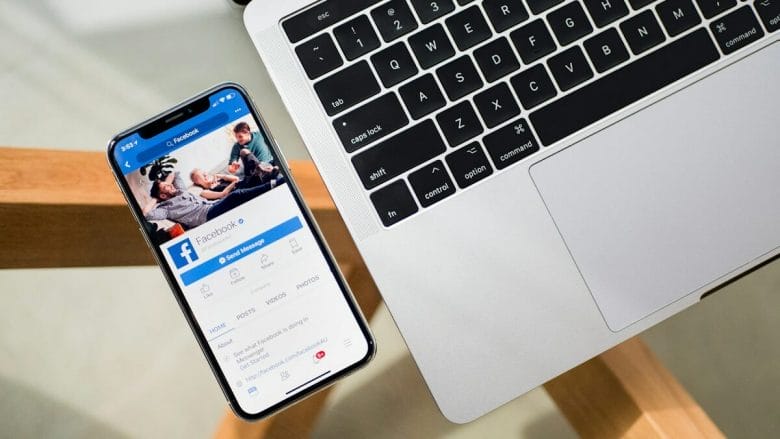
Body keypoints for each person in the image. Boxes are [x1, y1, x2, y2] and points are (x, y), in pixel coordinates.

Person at [143, 171, 277, 229]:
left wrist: (165, 184)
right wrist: (155, 198)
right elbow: (147, 214)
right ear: (163, 196)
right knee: (236, 195)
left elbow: (175, 174)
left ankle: (270, 182)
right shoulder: (165, 209)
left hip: (213, 205)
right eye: (166, 188)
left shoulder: (181, 191)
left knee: (239, 191)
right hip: (206, 215)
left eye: (168, 184)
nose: (170, 185)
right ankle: (272, 184)